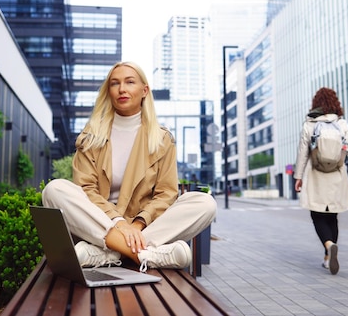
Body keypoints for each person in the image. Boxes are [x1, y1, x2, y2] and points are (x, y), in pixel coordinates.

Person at [42, 61, 217, 272]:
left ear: (144, 91)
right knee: (54, 189)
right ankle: (144, 255)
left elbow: (166, 194)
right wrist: (118, 223)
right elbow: (86, 189)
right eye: (115, 83)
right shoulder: (91, 136)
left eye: (130, 82)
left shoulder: (162, 139)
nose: (122, 89)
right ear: (109, 91)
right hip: (101, 222)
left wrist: (137, 224)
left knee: (205, 202)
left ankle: (110, 253)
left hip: (143, 226)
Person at [294, 87, 348, 275]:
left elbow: (302, 154)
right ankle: (329, 255)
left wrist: (298, 177)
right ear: (335, 103)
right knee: (332, 216)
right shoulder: (342, 124)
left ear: (316, 104)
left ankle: (328, 246)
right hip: (337, 175)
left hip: (316, 175)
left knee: (316, 214)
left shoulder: (309, 124)